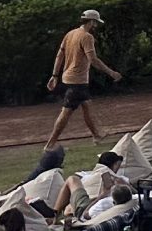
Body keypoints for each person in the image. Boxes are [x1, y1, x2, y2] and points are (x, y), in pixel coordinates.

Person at [44, 9, 119, 149]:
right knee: (66, 112)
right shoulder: (87, 37)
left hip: (70, 78)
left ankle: (97, 135)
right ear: (91, 22)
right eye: (95, 23)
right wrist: (111, 72)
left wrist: (54, 75)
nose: (96, 26)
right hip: (77, 80)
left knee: (87, 106)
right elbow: (93, 60)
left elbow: (60, 55)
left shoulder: (70, 34)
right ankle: (50, 144)